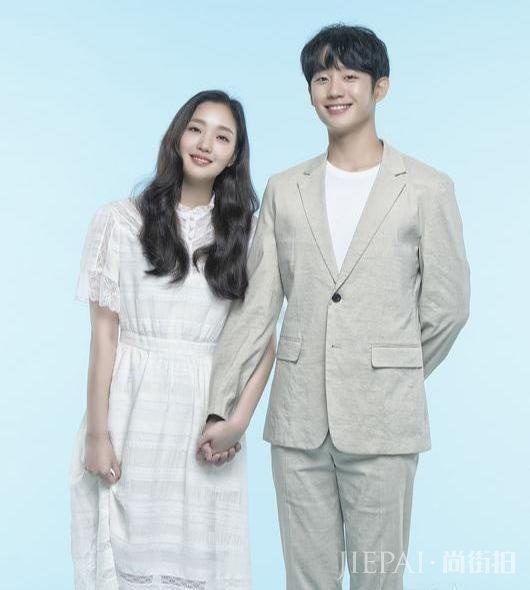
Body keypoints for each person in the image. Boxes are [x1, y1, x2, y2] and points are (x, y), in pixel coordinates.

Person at [199, 24, 471, 589]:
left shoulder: (427, 187)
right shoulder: (284, 188)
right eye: (322, 78)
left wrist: (392, 370)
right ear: (310, 92)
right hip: (298, 421)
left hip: (384, 423)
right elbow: (256, 307)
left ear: (380, 88)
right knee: (306, 581)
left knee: (378, 580)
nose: (335, 89)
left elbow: (448, 307)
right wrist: (220, 407)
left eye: (350, 76)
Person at [69, 90, 276, 590]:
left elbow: (262, 341)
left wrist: (236, 423)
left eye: (222, 137)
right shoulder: (120, 221)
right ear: (177, 135)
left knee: (202, 561)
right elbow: (104, 338)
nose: (205, 144)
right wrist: (97, 435)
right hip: (131, 410)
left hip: (207, 416)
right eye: (196, 129)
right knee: (124, 560)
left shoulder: (248, 235)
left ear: (235, 155)